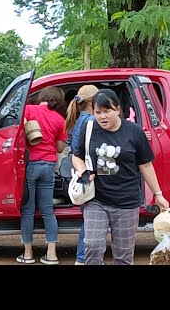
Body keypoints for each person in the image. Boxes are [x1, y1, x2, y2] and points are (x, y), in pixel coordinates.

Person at [72, 89, 170, 265]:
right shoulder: (89, 128)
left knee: (123, 256)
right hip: (96, 199)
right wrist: (82, 171)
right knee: (92, 246)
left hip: (127, 202)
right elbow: (76, 155)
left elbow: (146, 165)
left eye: (107, 111)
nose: (102, 116)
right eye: (98, 112)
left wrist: (158, 194)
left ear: (117, 109)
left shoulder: (134, 132)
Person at [17, 86, 67, 265]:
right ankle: (51, 254)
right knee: (48, 210)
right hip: (49, 166)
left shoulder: (29, 110)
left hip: (31, 165)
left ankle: (28, 254)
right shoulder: (59, 119)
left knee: (28, 210)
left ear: (42, 96)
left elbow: (17, 129)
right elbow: (61, 148)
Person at [65, 84, 99, 265]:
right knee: (91, 222)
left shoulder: (78, 120)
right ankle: (82, 258)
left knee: (89, 219)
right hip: (89, 175)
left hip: (80, 173)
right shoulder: (90, 121)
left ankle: (82, 258)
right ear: (93, 102)